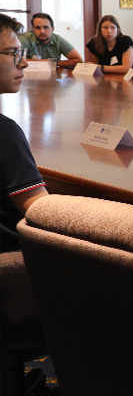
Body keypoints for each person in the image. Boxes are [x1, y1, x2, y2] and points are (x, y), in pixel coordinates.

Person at [1, 14, 49, 252]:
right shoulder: (4, 132)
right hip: (14, 264)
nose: (23, 63)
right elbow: (43, 213)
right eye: (13, 53)